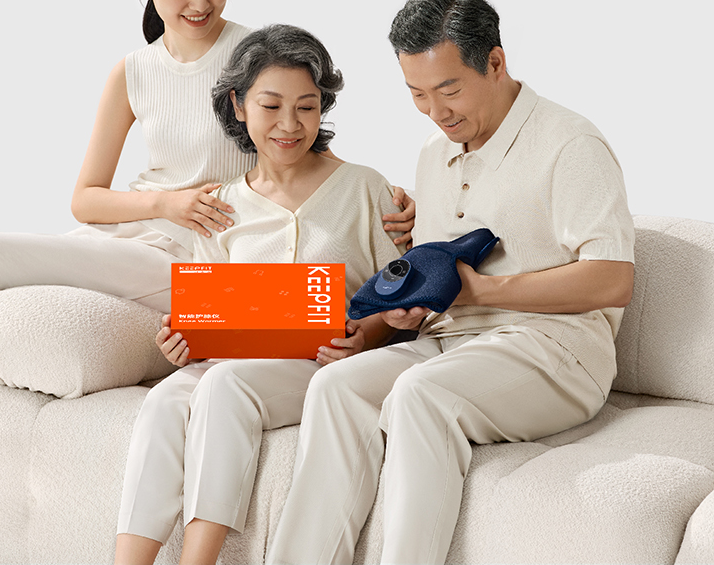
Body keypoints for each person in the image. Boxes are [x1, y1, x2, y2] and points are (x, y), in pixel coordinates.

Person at [265, 0, 635, 563]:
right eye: (417, 94)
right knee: (336, 388)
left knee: (421, 394)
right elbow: (440, 276)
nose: (436, 111)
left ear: (495, 63)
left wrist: (483, 292)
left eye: (449, 89)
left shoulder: (569, 143)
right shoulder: (433, 154)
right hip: (450, 341)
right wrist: (408, 309)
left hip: (555, 347)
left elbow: (612, 279)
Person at [0, 0, 414, 398]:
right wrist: (167, 204)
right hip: (135, 241)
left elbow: (302, 146)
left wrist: (393, 197)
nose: (199, 5)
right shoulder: (133, 70)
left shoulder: (256, 52)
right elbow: (85, 200)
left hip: (207, 256)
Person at [113, 24, 406, 565]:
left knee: (225, 384)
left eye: (307, 107)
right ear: (238, 105)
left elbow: (402, 298)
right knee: (165, 400)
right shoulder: (220, 205)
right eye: (271, 106)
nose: (290, 125)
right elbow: (209, 311)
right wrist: (184, 339)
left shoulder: (368, 189)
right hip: (234, 359)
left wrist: (365, 336)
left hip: (319, 364)